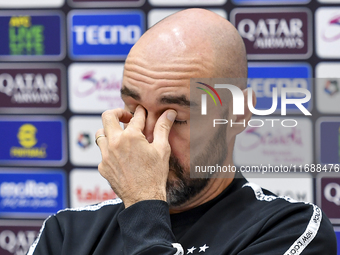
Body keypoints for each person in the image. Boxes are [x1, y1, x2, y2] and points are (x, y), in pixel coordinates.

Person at [27, 8, 337, 255]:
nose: (145, 138)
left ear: (239, 114)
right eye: (134, 110)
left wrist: (142, 204)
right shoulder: (68, 233)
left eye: (176, 118)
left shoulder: (287, 229)